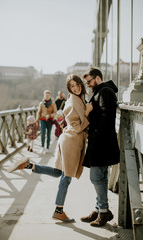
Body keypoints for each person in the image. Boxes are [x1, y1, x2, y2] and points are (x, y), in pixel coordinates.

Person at [7, 74, 93, 222]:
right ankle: (58, 210)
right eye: (72, 86)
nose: (76, 87)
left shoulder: (76, 98)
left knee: (58, 172)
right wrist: (88, 111)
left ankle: (28, 165)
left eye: (77, 84)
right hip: (72, 141)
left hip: (67, 139)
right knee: (66, 177)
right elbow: (78, 126)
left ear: (81, 84)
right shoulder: (75, 100)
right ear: (69, 88)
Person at [81, 67, 120, 227]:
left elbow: (107, 116)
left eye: (89, 81)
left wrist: (89, 113)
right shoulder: (100, 91)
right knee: (101, 178)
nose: (88, 85)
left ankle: (103, 212)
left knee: (96, 177)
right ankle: (99, 210)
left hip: (101, 142)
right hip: (101, 141)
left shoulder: (104, 91)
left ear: (97, 78)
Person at [37, 90, 57, 154]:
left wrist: (50, 115)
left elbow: (55, 113)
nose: (46, 96)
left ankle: (47, 147)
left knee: (48, 134)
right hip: (42, 120)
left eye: (48, 95)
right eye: (45, 95)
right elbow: (39, 112)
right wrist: (37, 121)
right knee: (43, 133)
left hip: (49, 120)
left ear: (50, 96)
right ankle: (42, 147)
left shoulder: (53, 103)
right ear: (44, 95)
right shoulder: (41, 103)